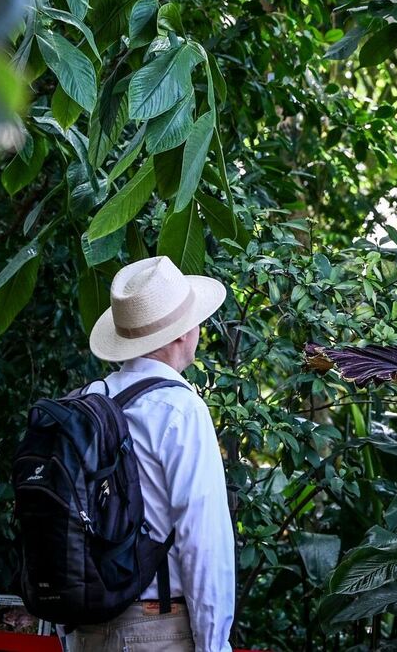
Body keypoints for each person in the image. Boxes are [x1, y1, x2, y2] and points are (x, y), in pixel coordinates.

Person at [68, 256, 234, 652]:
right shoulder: (180, 410)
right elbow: (203, 541)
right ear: (182, 334)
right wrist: (214, 646)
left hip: (85, 631)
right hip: (156, 630)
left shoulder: (87, 401)